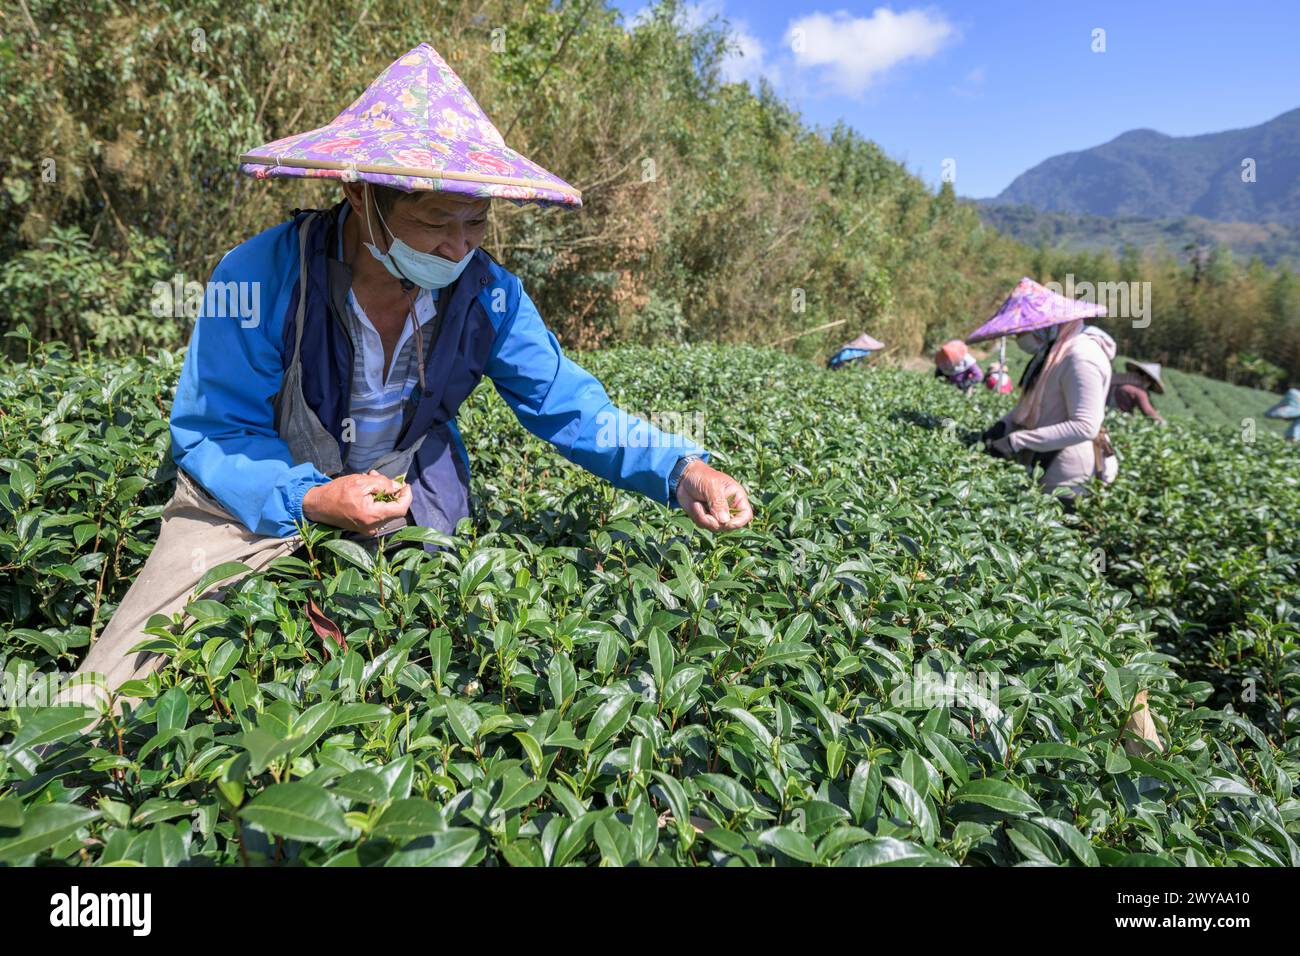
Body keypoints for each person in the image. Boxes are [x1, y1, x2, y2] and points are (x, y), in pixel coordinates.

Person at [56, 44, 752, 714]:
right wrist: (315, 497)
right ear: (361, 197)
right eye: (433, 223)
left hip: (401, 490)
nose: (457, 247)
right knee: (116, 688)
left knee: (428, 666)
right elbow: (216, 432)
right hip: (256, 493)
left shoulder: (490, 296)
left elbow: (566, 404)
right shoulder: (260, 277)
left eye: (475, 223)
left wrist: (680, 468)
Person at [982, 320, 1120, 500]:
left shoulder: (1081, 357)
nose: (1019, 338)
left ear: (1048, 323)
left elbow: (1085, 426)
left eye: (1024, 330)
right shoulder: (1055, 350)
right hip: (1044, 462)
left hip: (1069, 480)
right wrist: (1003, 425)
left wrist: (1015, 441)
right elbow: (1034, 402)